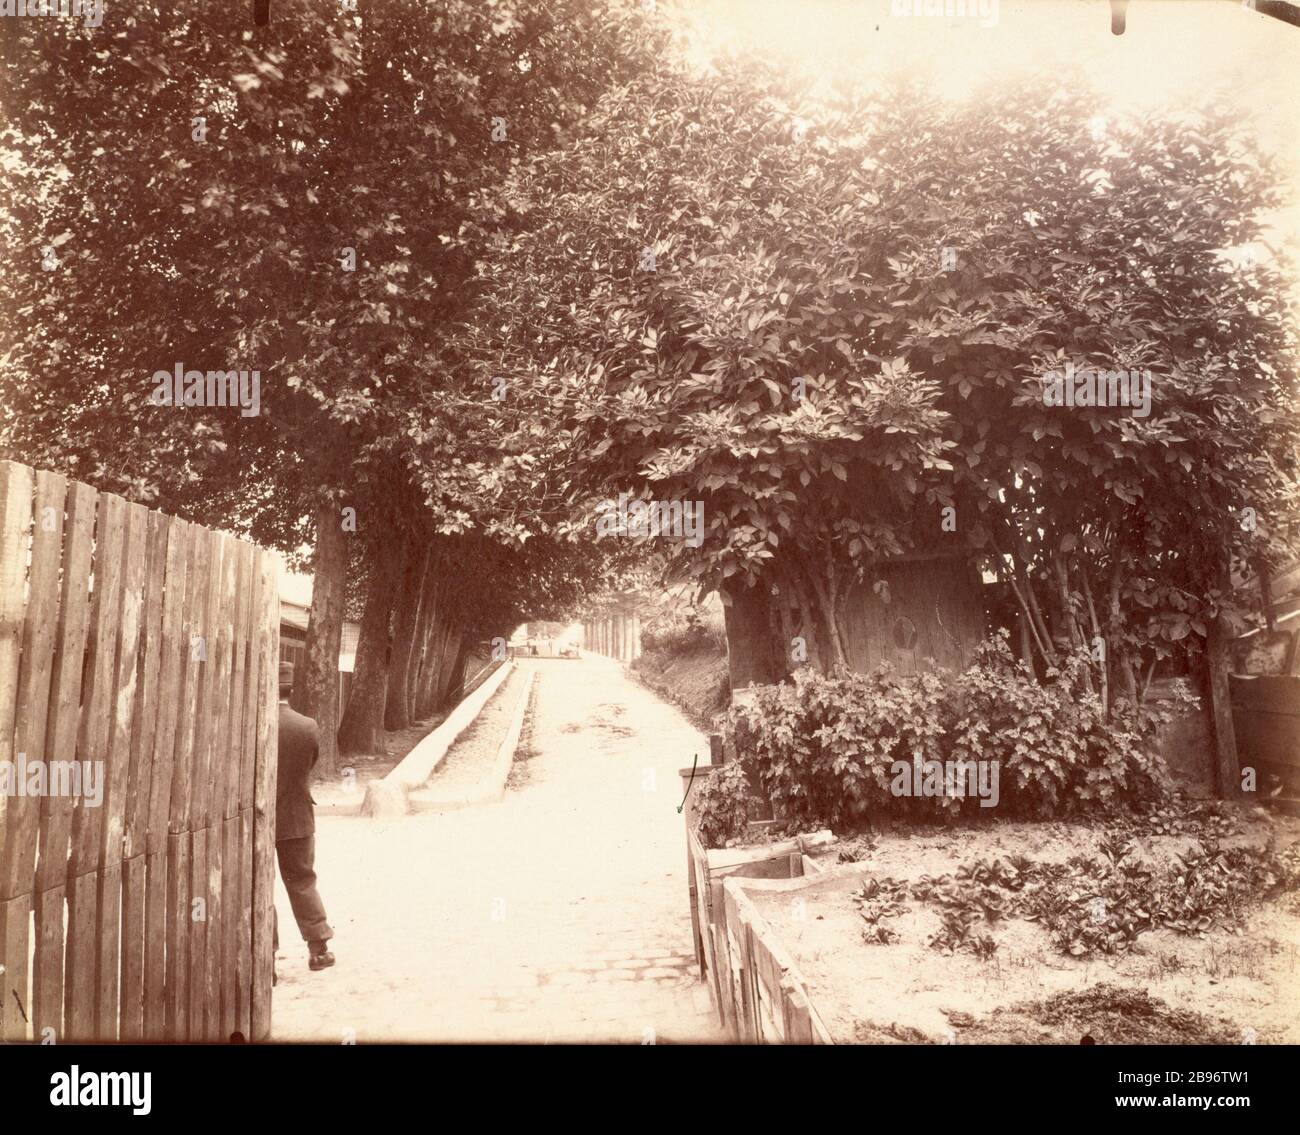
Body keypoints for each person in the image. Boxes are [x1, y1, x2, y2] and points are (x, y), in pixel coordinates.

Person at [275, 662, 335, 972]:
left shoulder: (253, 724)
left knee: (256, 885)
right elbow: (309, 764)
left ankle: (265, 954)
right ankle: (318, 949)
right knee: (301, 879)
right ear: (291, 689)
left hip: (256, 818)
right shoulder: (307, 726)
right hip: (296, 816)